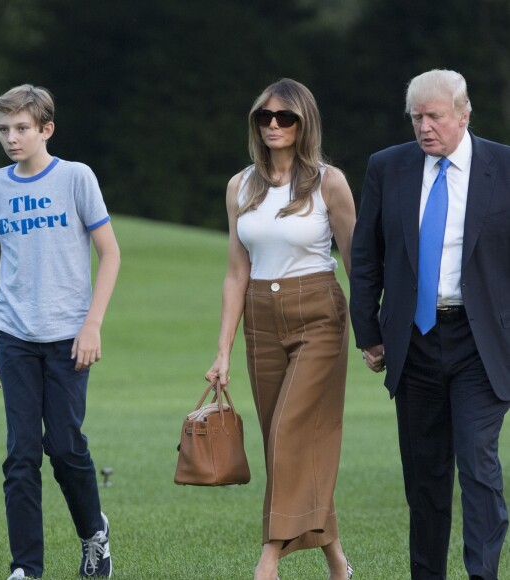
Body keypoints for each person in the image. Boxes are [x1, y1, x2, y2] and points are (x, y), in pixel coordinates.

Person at [350, 69, 510, 579]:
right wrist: (369, 333)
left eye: (434, 116)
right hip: (414, 342)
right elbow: (366, 255)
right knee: (425, 477)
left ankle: (483, 573)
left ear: (463, 115)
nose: (424, 127)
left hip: (481, 344)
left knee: (477, 465)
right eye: (416, 117)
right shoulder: (388, 167)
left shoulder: (504, 167)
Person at [205, 78, 355, 580]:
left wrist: (374, 333)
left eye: (284, 117)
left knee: (291, 432)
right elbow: (235, 271)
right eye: (264, 117)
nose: (273, 125)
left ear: (303, 122)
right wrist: (222, 349)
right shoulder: (239, 185)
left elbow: (356, 261)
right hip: (260, 319)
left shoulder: (329, 182)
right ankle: (336, 560)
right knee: (281, 441)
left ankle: (268, 559)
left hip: (318, 313)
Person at [0, 84, 120, 579]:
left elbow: (111, 254)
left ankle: (93, 535)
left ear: (45, 129)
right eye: (3, 130)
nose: (11, 138)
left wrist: (92, 325)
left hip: (67, 338)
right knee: (20, 454)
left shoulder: (76, 178)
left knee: (63, 446)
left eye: (21, 128)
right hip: (13, 335)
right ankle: (26, 569)